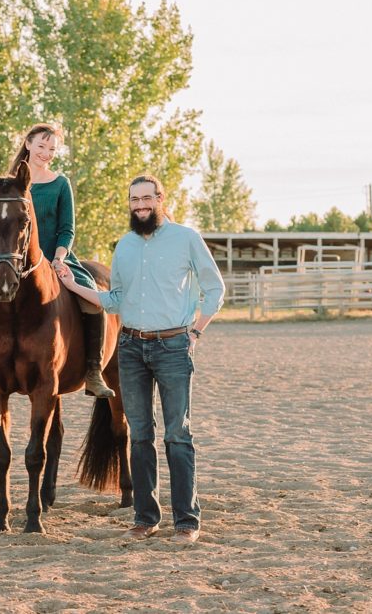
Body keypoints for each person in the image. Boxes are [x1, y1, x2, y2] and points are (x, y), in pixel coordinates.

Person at [57, 175, 224, 544]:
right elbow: (115, 299)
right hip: (130, 348)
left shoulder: (187, 238)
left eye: (147, 198)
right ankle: (145, 518)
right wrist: (72, 285)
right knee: (140, 435)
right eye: (135, 199)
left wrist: (195, 331)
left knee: (178, 435)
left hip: (173, 347)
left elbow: (215, 288)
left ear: (160, 199)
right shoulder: (125, 247)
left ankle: (186, 521)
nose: (141, 205)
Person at [0, 123, 116, 403]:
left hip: (56, 259)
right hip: (11, 263)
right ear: (27, 144)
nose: (46, 153)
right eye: (41, 146)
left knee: (93, 302)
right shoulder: (8, 186)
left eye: (52, 149)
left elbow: (67, 229)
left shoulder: (60, 183)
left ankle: (92, 371)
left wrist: (60, 258)